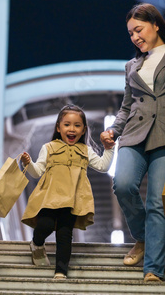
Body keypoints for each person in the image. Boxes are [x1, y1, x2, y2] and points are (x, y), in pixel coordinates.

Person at [100, 3, 165, 282]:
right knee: (122, 184)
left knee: (158, 201)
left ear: (156, 25)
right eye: (131, 33)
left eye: (139, 29)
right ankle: (144, 237)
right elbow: (126, 106)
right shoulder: (132, 65)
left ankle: (153, 269)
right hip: (134, 132)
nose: (134, 36)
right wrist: (114, 131)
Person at [21, 104, 114, 280]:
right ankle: (36, 244)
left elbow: (103, 166)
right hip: (50, 197)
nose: (72, 129)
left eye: (77, 125)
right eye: (67, 124)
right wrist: (28, 164)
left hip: (72, 199)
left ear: (84, 129)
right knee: (46, 225)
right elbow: (37, 171)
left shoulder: (85, 150)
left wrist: (109, 149)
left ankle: (61, 271)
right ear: (58, 127)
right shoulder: (48, 148)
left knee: (65, 235)